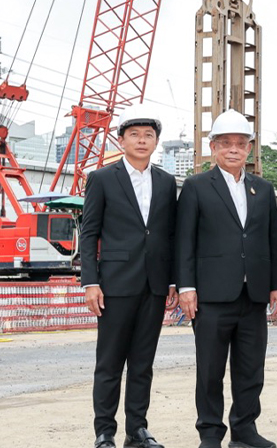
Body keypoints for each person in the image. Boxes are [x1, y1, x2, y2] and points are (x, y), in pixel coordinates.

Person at [175, 109, 277, 448]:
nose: (234, 149)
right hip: (211, 296)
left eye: (241, 143)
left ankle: (244, 430)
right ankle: (210, 433)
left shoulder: (262, 189)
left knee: (251, 368)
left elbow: (273, 240)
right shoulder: (196, 187)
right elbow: (184, 241)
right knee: (210, 369)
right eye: (226, 143)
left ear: (250, 148)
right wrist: (186, 287)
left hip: (253, 294)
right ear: (213, 147)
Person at [81, 107, 178, 448]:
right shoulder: (102, 178)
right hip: (115, 284)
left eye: (148, 135)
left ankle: (137, 430)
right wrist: (90, 282)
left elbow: (169, 235)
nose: (141, 140)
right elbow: (89, 233)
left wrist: (172, 280)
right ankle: (104, 432)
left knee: (142, 363)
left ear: (156, 142)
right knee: (109, 363)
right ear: (121, 140)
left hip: (154, 284)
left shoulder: (166, 182)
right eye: (134, 134)